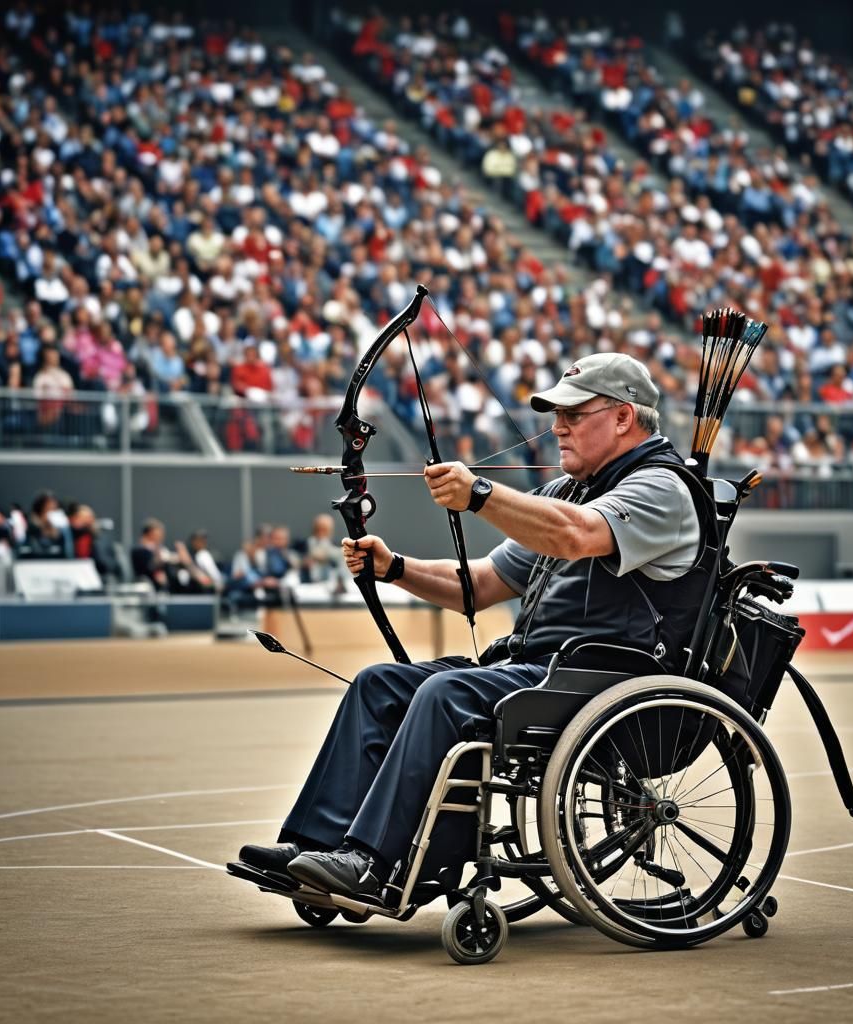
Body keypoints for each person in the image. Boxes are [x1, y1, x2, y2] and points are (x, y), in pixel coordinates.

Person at [236, 353, 713, 903]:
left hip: (602, 682)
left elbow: (578, 536)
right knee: (378, 684)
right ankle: (312, 847)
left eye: (573, 415)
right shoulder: (564, 492)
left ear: (624, 417)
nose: (557, 426)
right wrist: (394, 568)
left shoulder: (662, 488)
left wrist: (480, 495)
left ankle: (370, 862)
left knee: (445, 693)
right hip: (544, 672)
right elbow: (482, 583)